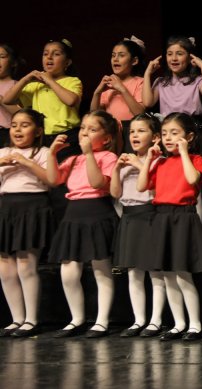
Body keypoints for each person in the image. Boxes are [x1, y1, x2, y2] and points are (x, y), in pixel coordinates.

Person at [137, 112, 202, 341]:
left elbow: (192, 179)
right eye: (164, 134)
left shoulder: (196, 160)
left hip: (183, 217)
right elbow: (141, 186)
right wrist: (149, 160)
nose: (168, 138)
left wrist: (184, 153)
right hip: (162, 217)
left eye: (174, 133)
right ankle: (179, 323)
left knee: (182, 274)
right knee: (168, 275)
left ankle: (195, 324)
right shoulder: (160, 162)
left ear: (189, 137)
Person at [46, 110, 121, 338]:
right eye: (82, 128)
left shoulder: (108, 157)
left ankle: (101, 320)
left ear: (106, 138)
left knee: (101, 269)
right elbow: (53, 179)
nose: (85, 133)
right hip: (73, 216)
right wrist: (52, 154)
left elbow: (98, 183)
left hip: (97, 212)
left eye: (92, 129)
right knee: (68, 271)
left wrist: (89, 154)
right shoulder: (73, 159)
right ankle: (76, 318)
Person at [109, 112, 167, 338]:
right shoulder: (125, 161)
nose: (134, 135)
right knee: (134, 272)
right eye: (132, 131)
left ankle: (156, 320)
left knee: (155, 271)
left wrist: (140, 164)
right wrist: (116, 169)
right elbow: (115, 193)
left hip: (150, 215)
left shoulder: (159, 160)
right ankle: (138, 319)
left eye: (141, 131)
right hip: (130, 217)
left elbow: (159, 188)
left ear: (155, 137)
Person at [0, 109, 51, 337]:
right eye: (14, 125)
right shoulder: (3, 152)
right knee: (5, 267)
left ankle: (31, 320)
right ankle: (16, 319)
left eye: (24, 125)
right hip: (7, 208)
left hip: (33, 207)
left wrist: (25, 162)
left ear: (38, 131)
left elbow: (51, 179)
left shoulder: (43, 152)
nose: (18, 130)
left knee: (25, 264)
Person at [4, 39, 82, 157]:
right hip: (42, 137)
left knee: (65, 166)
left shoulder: (72, 81)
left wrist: (49, 80)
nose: (49, 57)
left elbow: (70, 100)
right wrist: (25, 79)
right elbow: (7, 100)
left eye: (56, 54)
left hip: (67, 135)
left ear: (67, 62)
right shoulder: (36, 85)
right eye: (45, 54)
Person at [142, 36, 202, 161]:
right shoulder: (161, 82)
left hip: (192, 134)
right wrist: (147, 73)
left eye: (179, 54)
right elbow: (147, 102)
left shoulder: (197, 81)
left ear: (190, 57)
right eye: (170, 54)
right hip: (170, 135)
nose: (174, 58)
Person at [90, 36, 147, 150]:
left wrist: (122, 89)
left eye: (121, 55)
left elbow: (139, 113)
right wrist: (97, 93)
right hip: (112, 133)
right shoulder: (108, 85)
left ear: (134, 61)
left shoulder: (140, 82)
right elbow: (95, 114)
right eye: (113, 55)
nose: (115, 59)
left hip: (131, 131)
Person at [0, 44, 21, 147]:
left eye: (2, 57)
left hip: (6, 134)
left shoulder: (17, 85)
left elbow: (21, 113)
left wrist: (1, 100)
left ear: (13, 63)